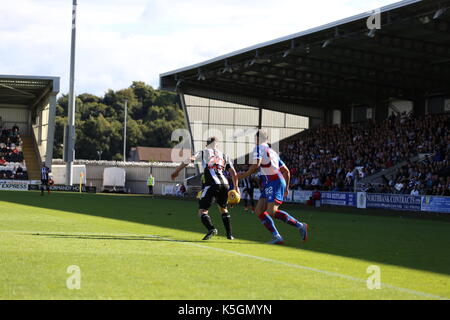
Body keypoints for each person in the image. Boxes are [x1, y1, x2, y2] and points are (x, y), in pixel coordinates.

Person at [238, 129, 309, 245]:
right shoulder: (272, 151)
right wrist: (286, 187)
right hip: (273, 182)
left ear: (257, 139)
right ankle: (277, 236)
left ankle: (300, 226)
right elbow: (286, 171)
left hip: (274, 181)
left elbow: (256, 165)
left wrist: (244, 174)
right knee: (259, 210)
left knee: (271, 211)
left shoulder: (258, 148)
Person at [171, 137, 239, 240]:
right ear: (217, 145)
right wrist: (236, 188)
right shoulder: (224, 155)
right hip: (225, 184)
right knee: (223, 209)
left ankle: (211, 229)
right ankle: (229, 234)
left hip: (212, 184)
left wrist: (177, 171)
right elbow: (233, 173)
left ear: (207, 145)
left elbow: (189, 159)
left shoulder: (203, 152)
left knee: (202, 211)